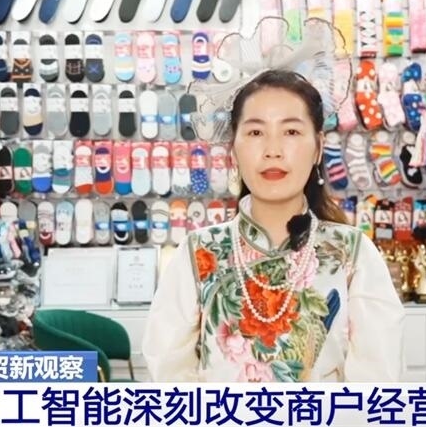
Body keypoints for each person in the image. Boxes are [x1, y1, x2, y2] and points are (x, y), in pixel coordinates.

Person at [142, 69, 405, 382]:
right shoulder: (197, 253)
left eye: (291, 132)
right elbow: (169, 374)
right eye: (255, 132)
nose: (273, 150)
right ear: (233, 150)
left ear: (318, 148)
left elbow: (377, 382)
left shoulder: (353, 254)